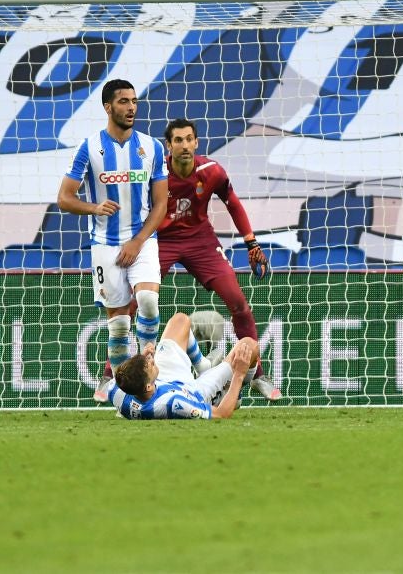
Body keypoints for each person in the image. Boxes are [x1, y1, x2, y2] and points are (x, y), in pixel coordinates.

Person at [57, 79, 168, 396]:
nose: (131, 107)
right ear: (108, 106)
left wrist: (137, 241)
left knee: (148, 301)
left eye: (134, 101)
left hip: (143, 241)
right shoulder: (89, 147)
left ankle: (150, 373)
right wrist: (93, 207)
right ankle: (123, 395)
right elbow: (64, 198)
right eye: (123, 101)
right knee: (119, 324)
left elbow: (161, 204)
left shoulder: (152, 148)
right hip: (105, 245)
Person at [159, 117, 282, 402]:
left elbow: (233, 203)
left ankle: (258, 373)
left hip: (200, 240)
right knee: (140, 301)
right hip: (161, 240)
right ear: (169, 145)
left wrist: (251, 243)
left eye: (189, 139)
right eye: (178, 140)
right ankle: (112, 373)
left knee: (238, 302)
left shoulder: (211, 171)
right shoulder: (157, 171)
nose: (185, 145)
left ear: (196, 142)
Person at [108, 312, 261, 420]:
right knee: (249, 346)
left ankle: (204, 366)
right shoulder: (173, 403)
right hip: (194, 391)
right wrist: (239, 375)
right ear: (148, 386)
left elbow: (132, 377)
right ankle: (231, 394)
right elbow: (222, 414)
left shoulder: (116, 389)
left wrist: (143, 359)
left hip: (163, 379)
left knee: (180, 320)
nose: (152, 360)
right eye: (150, 365)